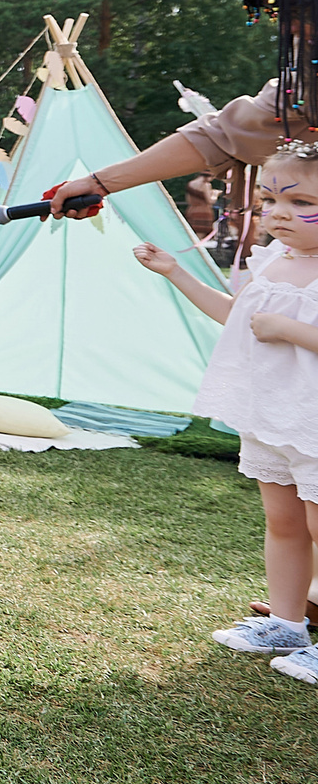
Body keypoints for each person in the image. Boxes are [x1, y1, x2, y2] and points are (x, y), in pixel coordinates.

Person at [133, 142, 318, 684]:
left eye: (299, 201)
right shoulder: (272, 263)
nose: (278, 213)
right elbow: (238, 318)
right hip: (270, 414)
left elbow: (276, 327)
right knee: (284, 523)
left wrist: (291, 331)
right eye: (269, 200)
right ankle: (286, 622)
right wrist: (174, 272)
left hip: (314, 420)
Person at [45, 0, 318, 215]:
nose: (291, 29)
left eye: (306, 11)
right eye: (279, 10)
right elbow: (228, 133)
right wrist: (100, 183)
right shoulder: (307, 73)